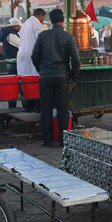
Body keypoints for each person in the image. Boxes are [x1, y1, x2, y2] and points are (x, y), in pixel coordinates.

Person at [30, 9, 80, 148]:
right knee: (62, 109)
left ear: (50, 20)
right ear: (63, 20)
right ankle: (63, 140)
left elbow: (34, 56)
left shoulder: (42, 36)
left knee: (46, 109)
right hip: (62, 76)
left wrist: (41, 70)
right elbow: (76, 60)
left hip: (45, 76)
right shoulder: (68, 37)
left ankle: (47, 140)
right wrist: (72, 75)